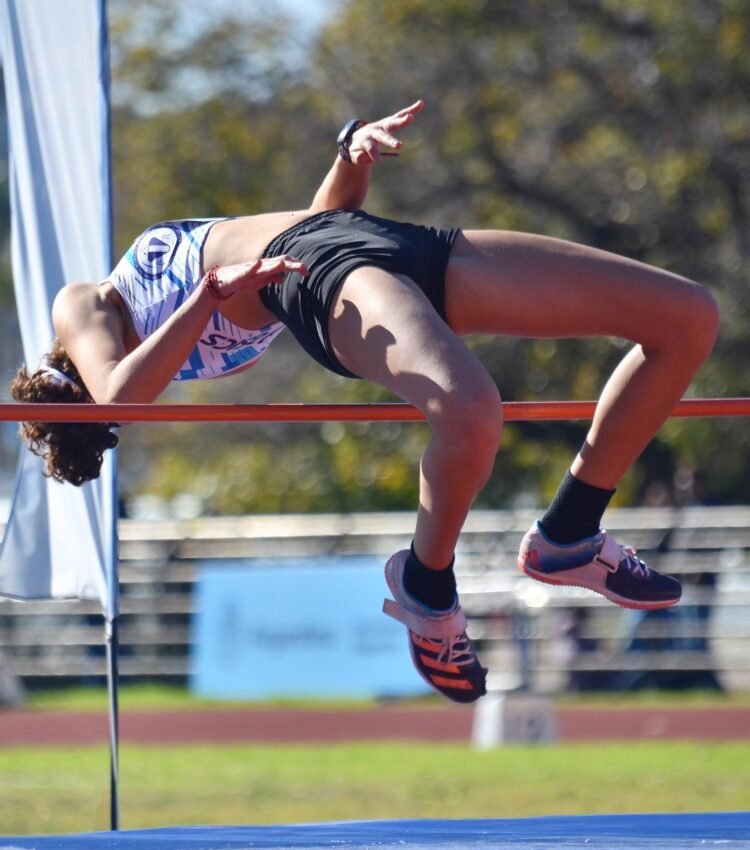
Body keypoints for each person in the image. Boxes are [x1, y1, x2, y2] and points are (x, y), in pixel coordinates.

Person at [11, 101, 719, 704]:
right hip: (329, 276)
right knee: (472, 411)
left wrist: (351, 155)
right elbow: (123, 398)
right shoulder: (83, 311)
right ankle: (426, 584)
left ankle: (571, 530)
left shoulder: (115, 309)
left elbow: (322, 216)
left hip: (374, 241)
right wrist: (210, 293)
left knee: (685, 318)